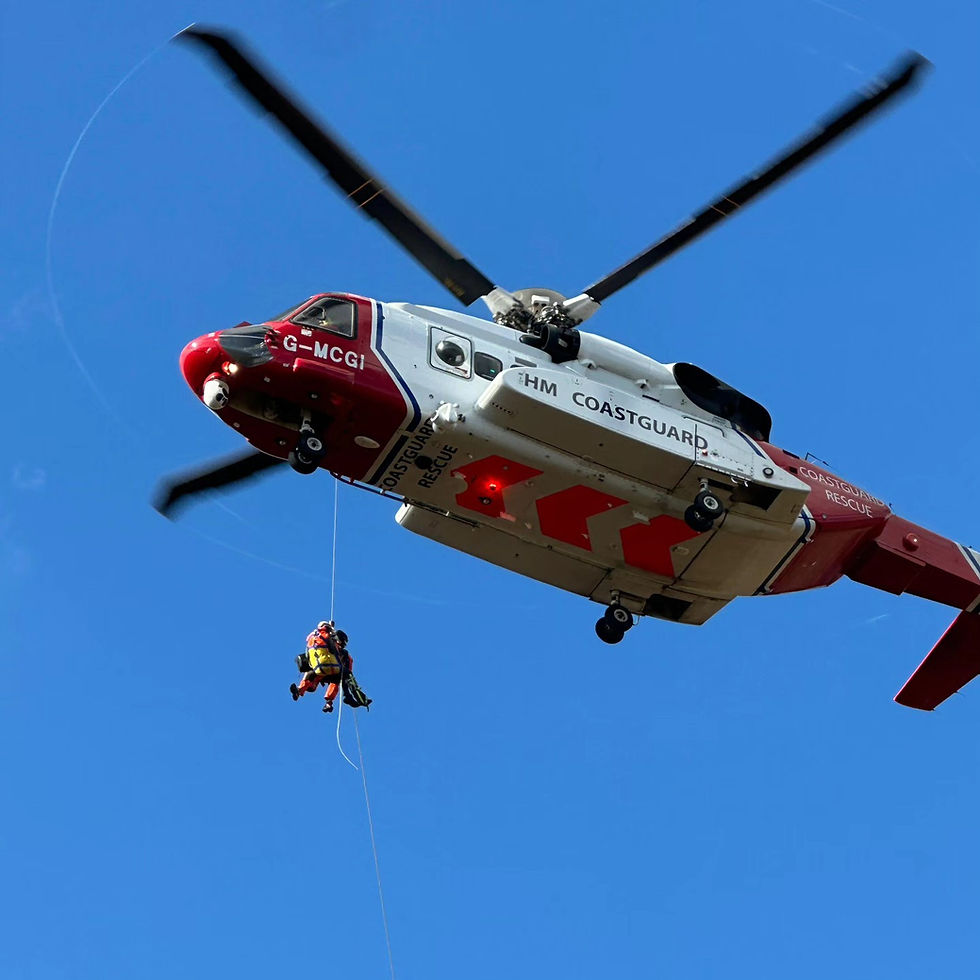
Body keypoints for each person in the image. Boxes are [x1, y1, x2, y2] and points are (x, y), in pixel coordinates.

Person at [290, 622, 369, 713]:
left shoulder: (321, 641)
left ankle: (302, 691)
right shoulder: (336, 648)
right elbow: (348, 670)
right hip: (329, 670)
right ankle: (325, 700)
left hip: (322, 670)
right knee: (335, 678)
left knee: (313, 673)